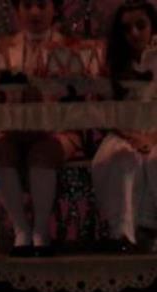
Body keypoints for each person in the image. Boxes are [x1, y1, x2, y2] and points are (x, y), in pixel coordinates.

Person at [0, 0, 83, 255]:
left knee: (42, 152)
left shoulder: (71, 48)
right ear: (17, 10)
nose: (34, 12)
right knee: (2, 153)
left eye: (42, 5)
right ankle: (21, 230)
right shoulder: (3, 48)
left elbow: (81, 95)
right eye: (27, 5)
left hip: (57, 130)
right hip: (14, 129)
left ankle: (41, 231)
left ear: (54, 9)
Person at [92, 1, 157, 251]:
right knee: (121, 157)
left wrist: (151, 138)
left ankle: (149, 227)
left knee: (153, 160)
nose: (135, 33)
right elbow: (105, 111)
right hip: (124, 133)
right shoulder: (113, 64)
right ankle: (124, 234)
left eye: (141, 26)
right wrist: (131, 136)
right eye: (127, 28)